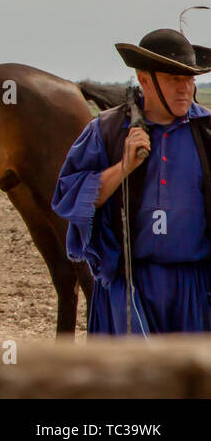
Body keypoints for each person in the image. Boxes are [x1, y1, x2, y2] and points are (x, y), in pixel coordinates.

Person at [52, 28, 211, 334]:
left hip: (197, 289)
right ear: (144, 79)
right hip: (127, 287)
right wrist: (124, 167)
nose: (185, 89)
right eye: (174, 79)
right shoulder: (106, 131)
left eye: (189, 79)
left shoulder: (207, 131)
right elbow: (69, 198)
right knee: (127, 381)